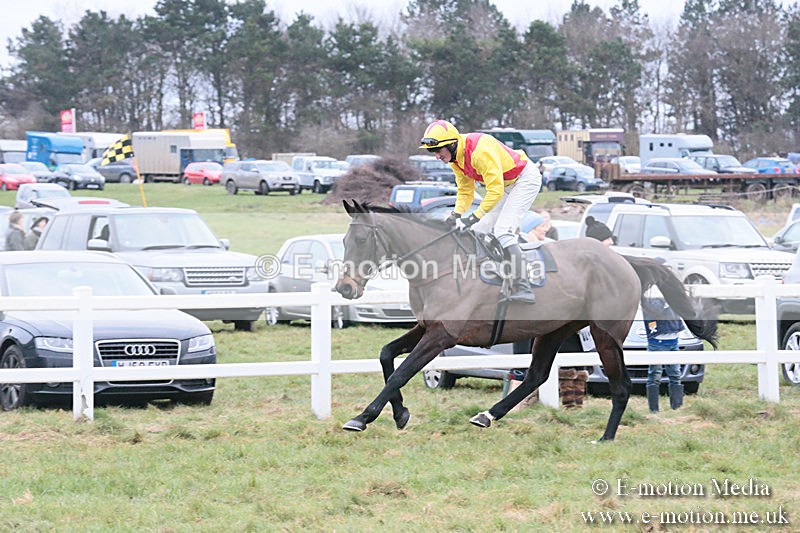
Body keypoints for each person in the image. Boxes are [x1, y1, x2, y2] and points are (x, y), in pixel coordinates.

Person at [419, 119, 543, 303]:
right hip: (506, 184)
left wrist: (474, 216)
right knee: (478, 231)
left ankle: (523, 285)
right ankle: (492, 278)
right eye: (432, 152)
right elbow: (465, 191)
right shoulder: (455, 159)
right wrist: (456, 214)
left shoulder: (479, 152)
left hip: (524, 179)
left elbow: (495, 191)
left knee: (503, 231)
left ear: (452, 144)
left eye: (438, 150)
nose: (436, 155)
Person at [642, 293, 685, 412]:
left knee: (675, 374)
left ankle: (677, 407)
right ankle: (654, 410)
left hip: (673, 339)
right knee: (655, 375)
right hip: (657, 340)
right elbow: (654, 310)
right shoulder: (654, 294)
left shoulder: (670, 295)